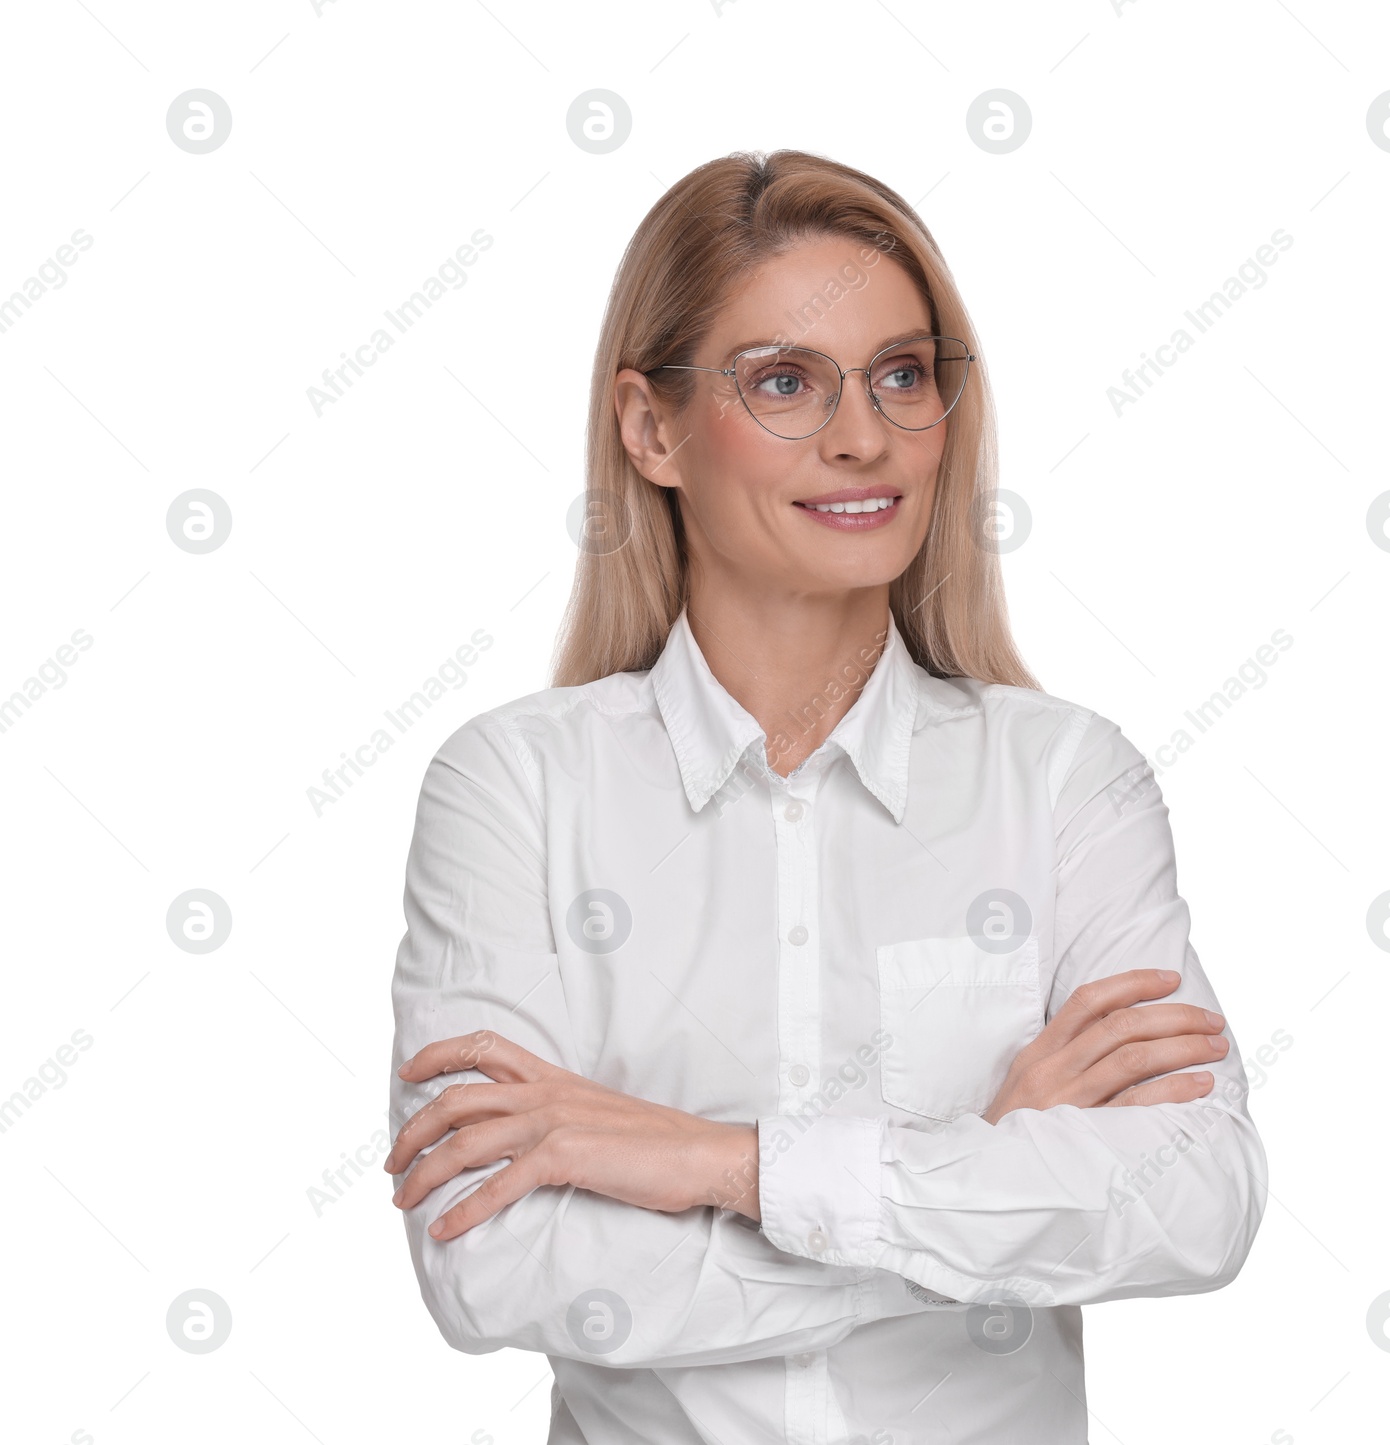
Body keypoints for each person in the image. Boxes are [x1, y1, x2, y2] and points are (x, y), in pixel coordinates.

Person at [385, 148, 1266, 1445]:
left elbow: (1198, 1200)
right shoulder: (516, 785)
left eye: (902, 373)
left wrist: (710, 1163)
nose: (864, 434)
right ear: (651, 426)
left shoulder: (1065, 780)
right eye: (784, 381)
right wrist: (974, 1163)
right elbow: (494, 1266)